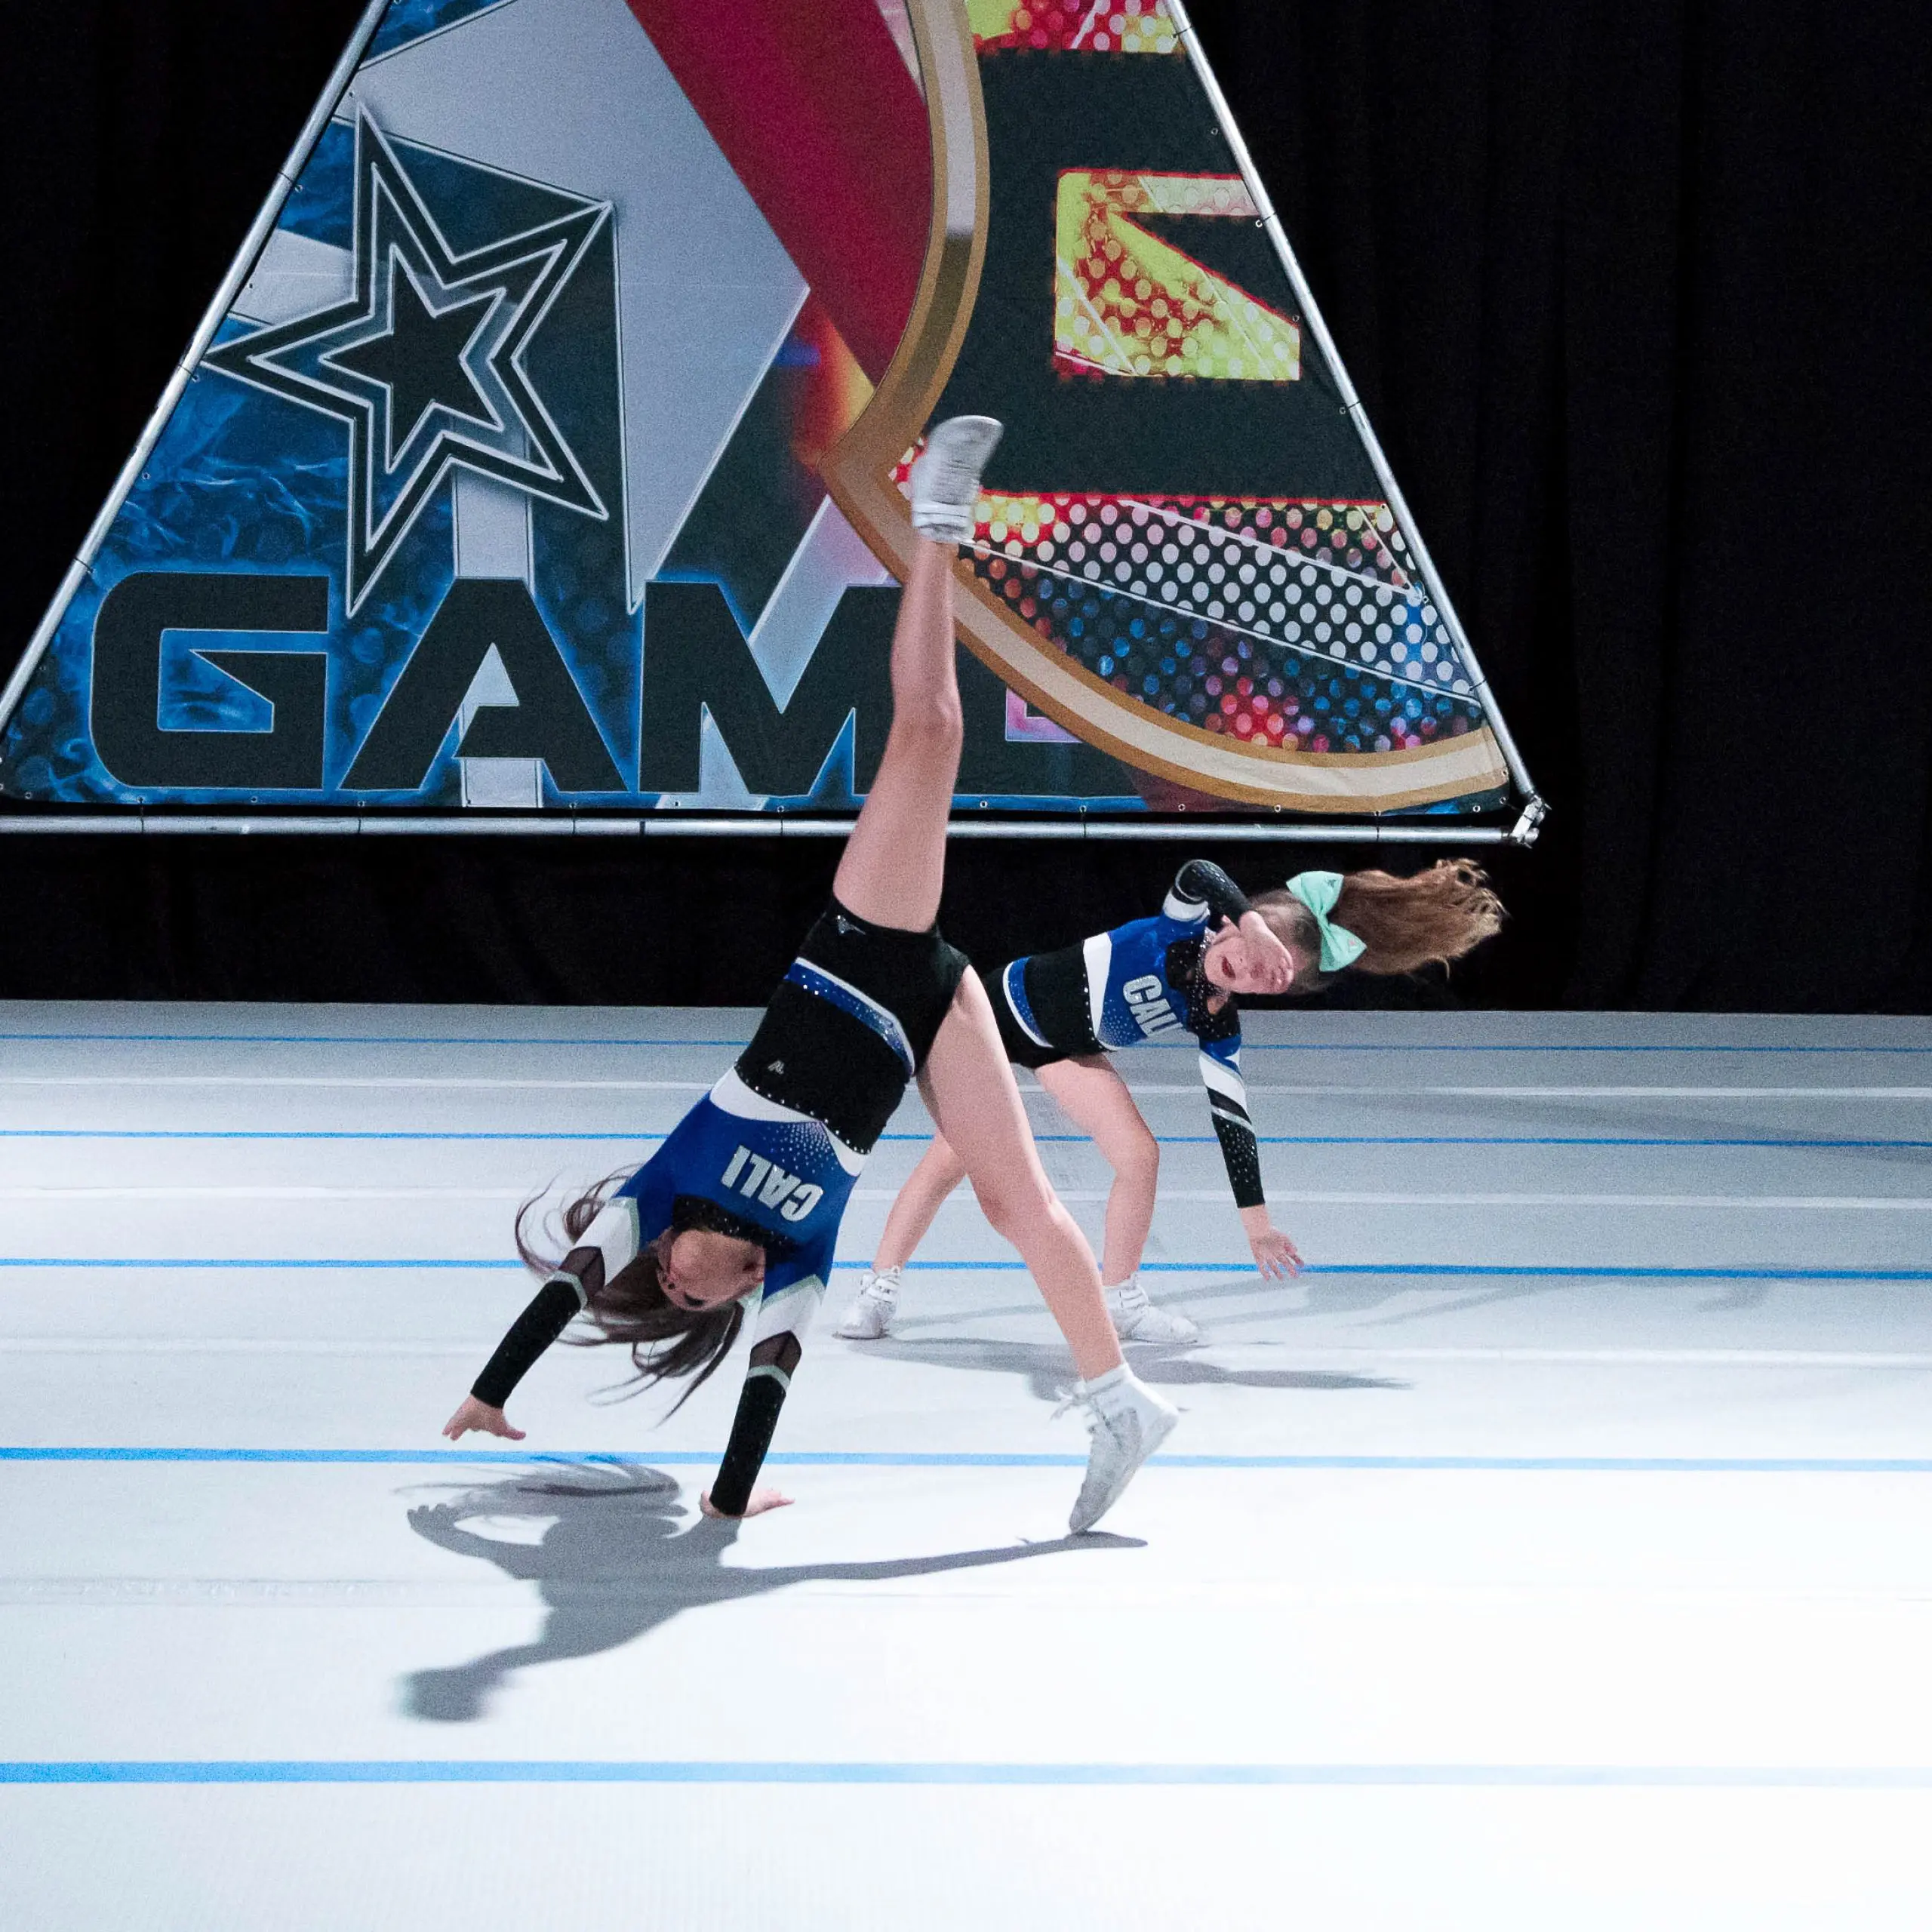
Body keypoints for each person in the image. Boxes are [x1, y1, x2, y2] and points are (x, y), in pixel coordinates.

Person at [441, 416, 1176, 1534]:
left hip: (859, 957)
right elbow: (764, 1401)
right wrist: (735, 1500)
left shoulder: (663, 1187)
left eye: (675, 1279)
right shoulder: (797, 1260)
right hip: (931, 1009)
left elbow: (566, 1290)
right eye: (705, 1298)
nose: (694, 1279)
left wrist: (490, 1395)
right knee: (1013, 1201)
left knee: (927, 730)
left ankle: (939, 515)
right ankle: (1120, 1401)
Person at [838, 859, 1504, 1345]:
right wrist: (1252, 918)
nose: (1246, 973)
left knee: (1141, 1156)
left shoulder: (1217, 1019)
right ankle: (878, 1289)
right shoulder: (1178, 926)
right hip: (993, 1015)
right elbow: (1198, 871)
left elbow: (1232, 1123)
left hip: (1065, 1051)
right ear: (1233, 926)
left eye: (1270, 983)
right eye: (1253, 951)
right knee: (948, 1163)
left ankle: (1121, 1296)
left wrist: (1257, 1226)